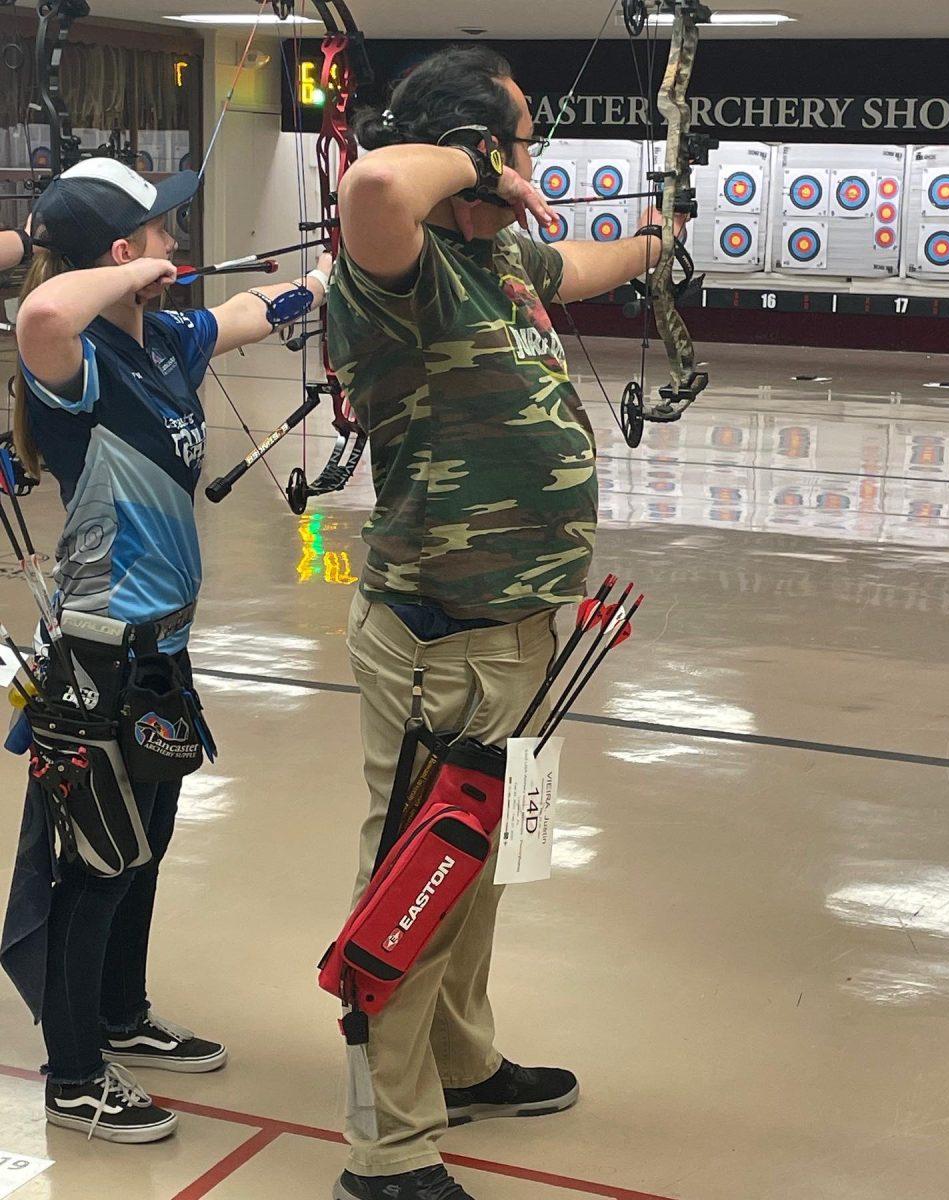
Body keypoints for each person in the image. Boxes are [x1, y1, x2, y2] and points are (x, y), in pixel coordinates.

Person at [325, 45, 686, 1200]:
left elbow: (577, 264)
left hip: (521, 631)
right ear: (474, 152)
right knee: (417, 881)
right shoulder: (400, 265)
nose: (534, 160)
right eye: (520, 140)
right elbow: (375, 186)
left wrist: (658, 241)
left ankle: (460, 1061)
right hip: (441, 635)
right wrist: (485, 159)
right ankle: (384, 1155)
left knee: (473, 874)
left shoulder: (502, 254)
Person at [0, 157, 333, 1144]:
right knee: (95, 865)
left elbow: (249, 311)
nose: (177, 243)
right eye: (159, 232)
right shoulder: (79, 364)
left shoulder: (166, 344)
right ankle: (71, 1077)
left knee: (142, 848)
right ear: (120, 254)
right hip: (100, 653)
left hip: (162, 652)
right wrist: (122, 278)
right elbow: (43, 316)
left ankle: (118, 1013)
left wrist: (322, 280)